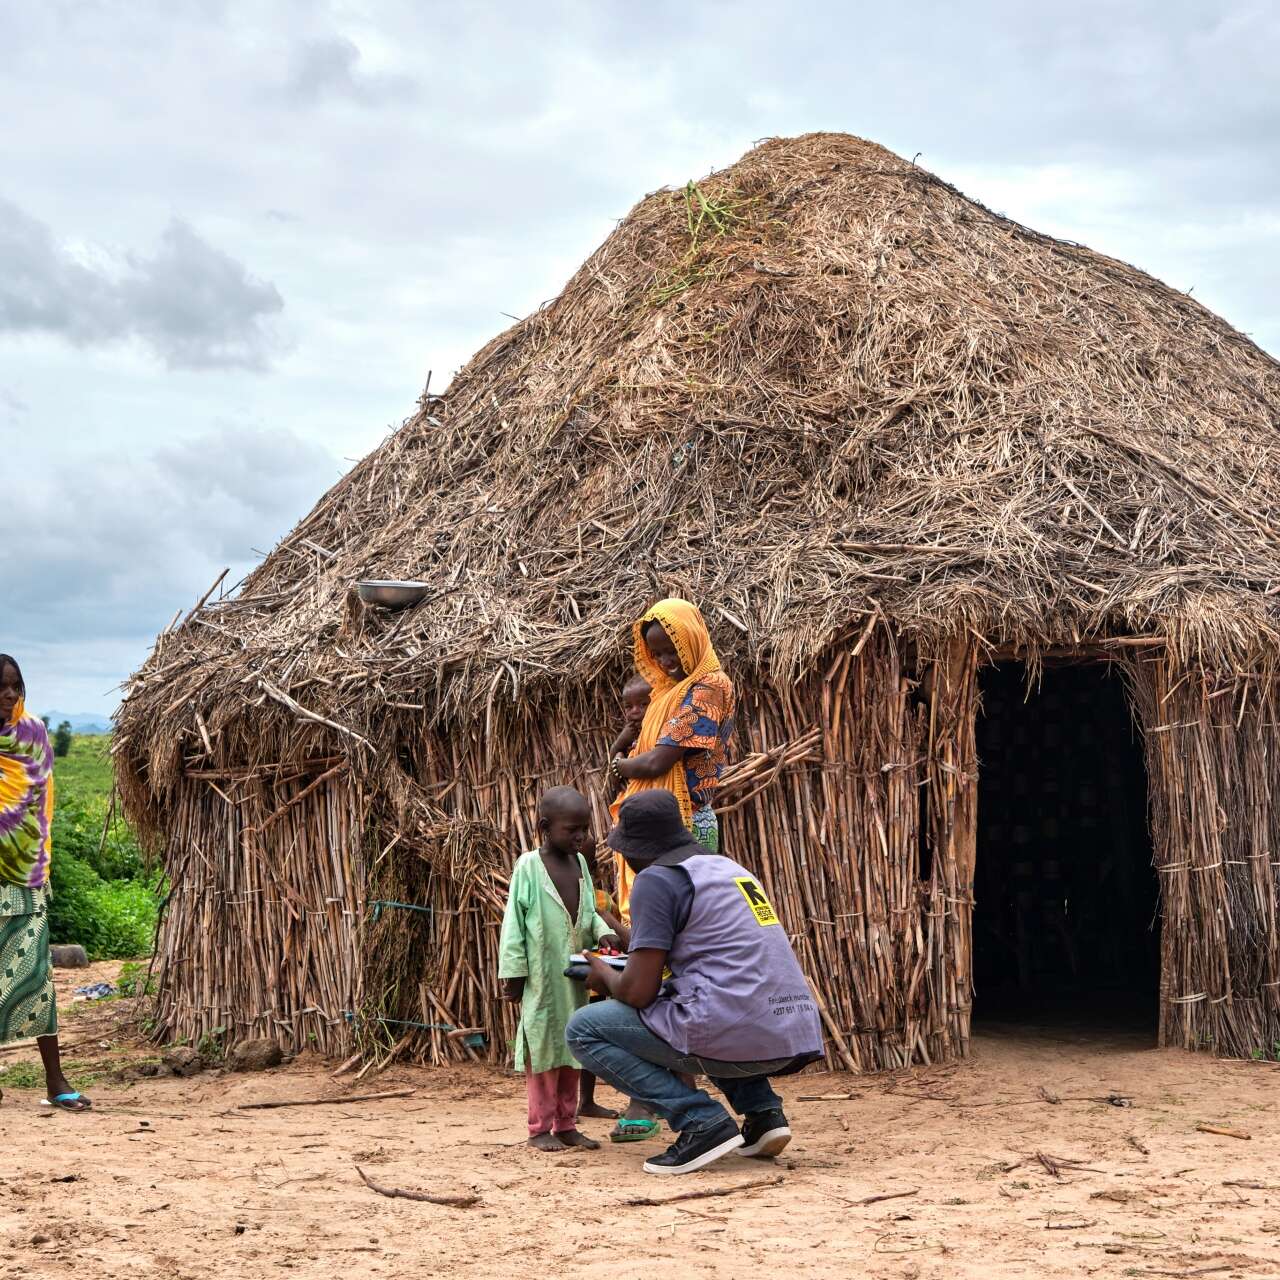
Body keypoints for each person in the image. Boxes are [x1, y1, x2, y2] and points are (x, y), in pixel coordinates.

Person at [567, 790, 822, 1176]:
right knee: (696, 997)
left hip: (737, 1026)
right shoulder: (728, 869)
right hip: (790, 1029)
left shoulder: (657, 879)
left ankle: (701, 1122)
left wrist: (602, 974)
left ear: (637, 849)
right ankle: (763, 1114)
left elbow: (638, 992)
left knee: (584, 1029)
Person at [498, 786, 618, 1151]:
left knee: (572, 1051)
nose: (581, 836)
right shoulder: (528, 867)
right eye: (572, 829)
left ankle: (566, 1124)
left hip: (573, 978)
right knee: (543, 1052)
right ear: (545, 827)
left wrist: (606, 933)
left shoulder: (580, 864)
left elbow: (588, 913)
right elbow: (514, 925)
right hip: (541, 980)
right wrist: (514, 973)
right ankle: (539, 1128)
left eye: (584, 828)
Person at [0, 655, 91, 1111]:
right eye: (1, 688)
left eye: (16, 686)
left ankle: (55, 1082)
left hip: (24, 877)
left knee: (37, 980)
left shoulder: (33, 735)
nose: (10, 695)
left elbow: (38, 803)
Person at [608, 599, 735, 921]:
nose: (665, 661)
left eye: (672, 649)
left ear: (691, 639)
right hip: (662, 822)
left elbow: (657, 762)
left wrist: (621, 766)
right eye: (657, 654)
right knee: (660, 914)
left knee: (688, 916)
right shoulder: (669, 692)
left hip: (687, 822)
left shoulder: (710, 686)